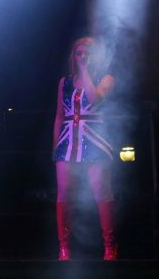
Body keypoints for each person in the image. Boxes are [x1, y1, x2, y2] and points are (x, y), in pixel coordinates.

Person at [53, 37, 117, 260]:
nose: (82, 57)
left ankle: (110, 246)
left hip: (95, 138)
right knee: (64, 193)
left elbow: (94, 98)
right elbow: (59, 115)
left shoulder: (106, 79)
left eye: (87, 53)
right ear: (73, 56)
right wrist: (55, 147)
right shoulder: (65, 82)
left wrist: (85, 70)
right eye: (79, 53)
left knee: (101, 192)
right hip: (68, 139)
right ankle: (64, 248)